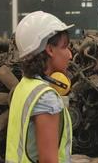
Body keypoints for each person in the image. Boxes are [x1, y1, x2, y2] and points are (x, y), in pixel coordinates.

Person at [6, 11, 73, 163]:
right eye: (65, 47)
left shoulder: (24, 86)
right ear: (49, 50)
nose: (70, 55)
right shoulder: (45, 97)